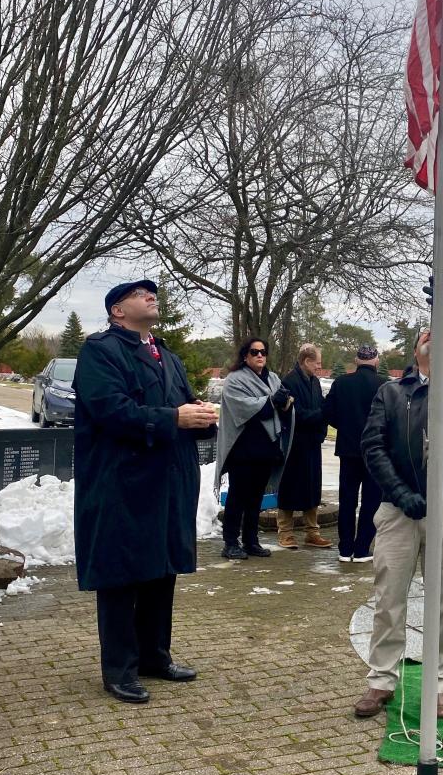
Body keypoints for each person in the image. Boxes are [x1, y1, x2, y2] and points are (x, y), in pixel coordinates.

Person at [73, 280, 218, 704]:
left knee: (161, 568)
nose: (151, 296)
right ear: (117, 311)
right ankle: (119, 668)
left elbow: (184, 404)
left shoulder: (167, 356)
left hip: (168, 482)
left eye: (152, 293)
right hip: (122, 482)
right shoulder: (101, 351)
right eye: (140, 294)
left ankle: (154, 656)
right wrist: (174, 417)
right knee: (122, 573)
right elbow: (111, 410)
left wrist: (202, 416)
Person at [355, 301, 443, 721]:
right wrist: (399, 492)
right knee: (389, 597)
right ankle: (381, 680)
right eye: (425, 334)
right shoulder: (390, 392)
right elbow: (372, 446)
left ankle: (440, 684)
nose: (432, 337)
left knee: (442, 601)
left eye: (437, 335)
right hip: (398, 509)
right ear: (414, 351)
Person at [214, 336, 293, 560]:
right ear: (245, 356)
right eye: (254, 352)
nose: (260, 355)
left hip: (266, 448)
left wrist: (285, 402)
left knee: (256, 498)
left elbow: (282, 408)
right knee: (238, 497)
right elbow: (244, 410)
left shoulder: (274, 378)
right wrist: (271, 402)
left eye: (263, 352)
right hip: (243, 449)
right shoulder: (235, 380)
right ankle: (230, 543)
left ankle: (251, 541)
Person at [323, 345, 384, 562]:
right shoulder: (384, 385)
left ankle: (345, 547)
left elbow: (328, 412)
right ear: (376, 360)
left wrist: (345, 426)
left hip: (348, 449)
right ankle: (362, 548)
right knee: (371, 500)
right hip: (376, 450)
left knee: (347, 499)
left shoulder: (341, 383)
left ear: (356, 361)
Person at [276, 343, 332, 549]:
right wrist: (321, 415)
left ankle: (312, 532)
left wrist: (322, 426)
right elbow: (294, 414)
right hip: (294, 445)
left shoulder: (315, 382)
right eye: (317, 363)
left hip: (312, 444)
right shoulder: (289, 382)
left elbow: (321, 407)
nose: (319, 367)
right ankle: (285, 533)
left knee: (312, 488)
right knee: (289, 488)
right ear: (306, 362)